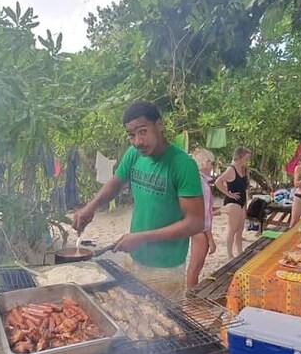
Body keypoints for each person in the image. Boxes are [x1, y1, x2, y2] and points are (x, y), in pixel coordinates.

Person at [72, 101, 204, 296]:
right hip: (135, 259)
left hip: (166, 268)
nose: (137, 141)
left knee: (165, 323)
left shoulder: (182, 165)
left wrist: (142, 237)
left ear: (159, 125)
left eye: (143, 131)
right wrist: (90, 207)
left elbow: (195, 223)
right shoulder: (134, 154)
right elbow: (115, 183)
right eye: (131, 135)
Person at [187, 148, 217, 289]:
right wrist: (210, 239)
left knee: (195, 267)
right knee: (195, 267)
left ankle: (191, 294)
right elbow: (204, 215)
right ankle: (191, 297)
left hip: (195, 226)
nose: (212, 167)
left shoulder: (196, 180)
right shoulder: (203, 184)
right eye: (211, 163)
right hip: (200, 229)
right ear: (204, 163)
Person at [215, 147, 251, 258]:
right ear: (239, 157)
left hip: (242, 201)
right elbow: (218, 182)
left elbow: (245, 190)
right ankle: (230, 254)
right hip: (233, 201)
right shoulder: (231, 169)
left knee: (240, 229)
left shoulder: (245, 170)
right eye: (246, 157)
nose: (248, 160)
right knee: (233, 229)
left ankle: (240, 252)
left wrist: (245, 206)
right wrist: (228, 194)